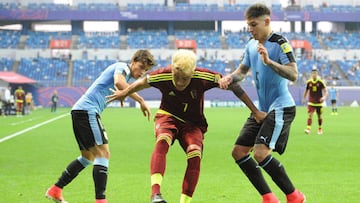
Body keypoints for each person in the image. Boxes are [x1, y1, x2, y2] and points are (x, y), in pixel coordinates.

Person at [106, 49, 266, 203]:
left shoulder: (203, 76)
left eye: (185, 78)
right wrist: (124, 93)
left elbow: (234, 86)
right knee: (163, 140)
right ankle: (155, 194)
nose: (180, 82)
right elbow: (142, 82)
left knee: (195, 155)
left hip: (193, 124)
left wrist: (256, 112)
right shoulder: (163, 74)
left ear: (193, 72)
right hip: (167, 117)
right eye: (177, 77)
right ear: (172, 70)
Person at [218, 4, 305, 203]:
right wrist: (229, 78)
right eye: (248, 25)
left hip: (281, 106)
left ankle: (294, 197)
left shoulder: (280, 43)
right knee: (238, 152)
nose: (250, 29)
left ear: (266, 21)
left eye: (253, 25)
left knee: (260, 152)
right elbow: (241, 71)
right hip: (263, 109)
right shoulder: (250, 45)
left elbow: (293, 74)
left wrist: (269, 62)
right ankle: (269, 198)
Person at [45, 49, 156, 203]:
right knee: (104, 154)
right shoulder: (122, 67)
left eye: (145, 70)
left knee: (87, 157)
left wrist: (123, 93)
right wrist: (141, 100)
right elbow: (119, 82)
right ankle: (101, 201)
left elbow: (119, 85)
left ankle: (55, 190)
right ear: (133, 61)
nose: (141, 72)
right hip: (87, 111)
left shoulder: (125, 73)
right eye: (140, 67)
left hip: (80, 111)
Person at [302, 67, 327, 135]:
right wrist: (304, 99)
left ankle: (320, 128)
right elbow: (306, 91)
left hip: (319, 102)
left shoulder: (320, 82)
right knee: (310, 115)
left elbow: (325, 91)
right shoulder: (309, 82)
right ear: (311, 74)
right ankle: (308, 128)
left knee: (319, 116)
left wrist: (324, 97)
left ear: (317, 74)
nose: (314, 74)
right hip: (311, 102)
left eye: (315, 73)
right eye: (313, 73)